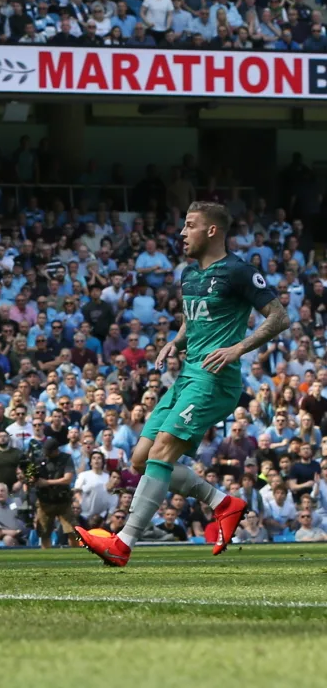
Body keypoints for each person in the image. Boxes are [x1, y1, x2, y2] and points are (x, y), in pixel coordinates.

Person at [78, 202, 288, 566]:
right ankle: (224, 504)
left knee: (161, 453)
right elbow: (194, 320)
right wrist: (176, 341)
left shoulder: (238, 271)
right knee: (141, 460)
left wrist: (237, 348)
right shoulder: (189, 274)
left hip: (214, 380)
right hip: (187, 375)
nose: (181, 232)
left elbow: (279, 317)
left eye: (189, 225)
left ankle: (123, 543)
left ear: (211, 231)